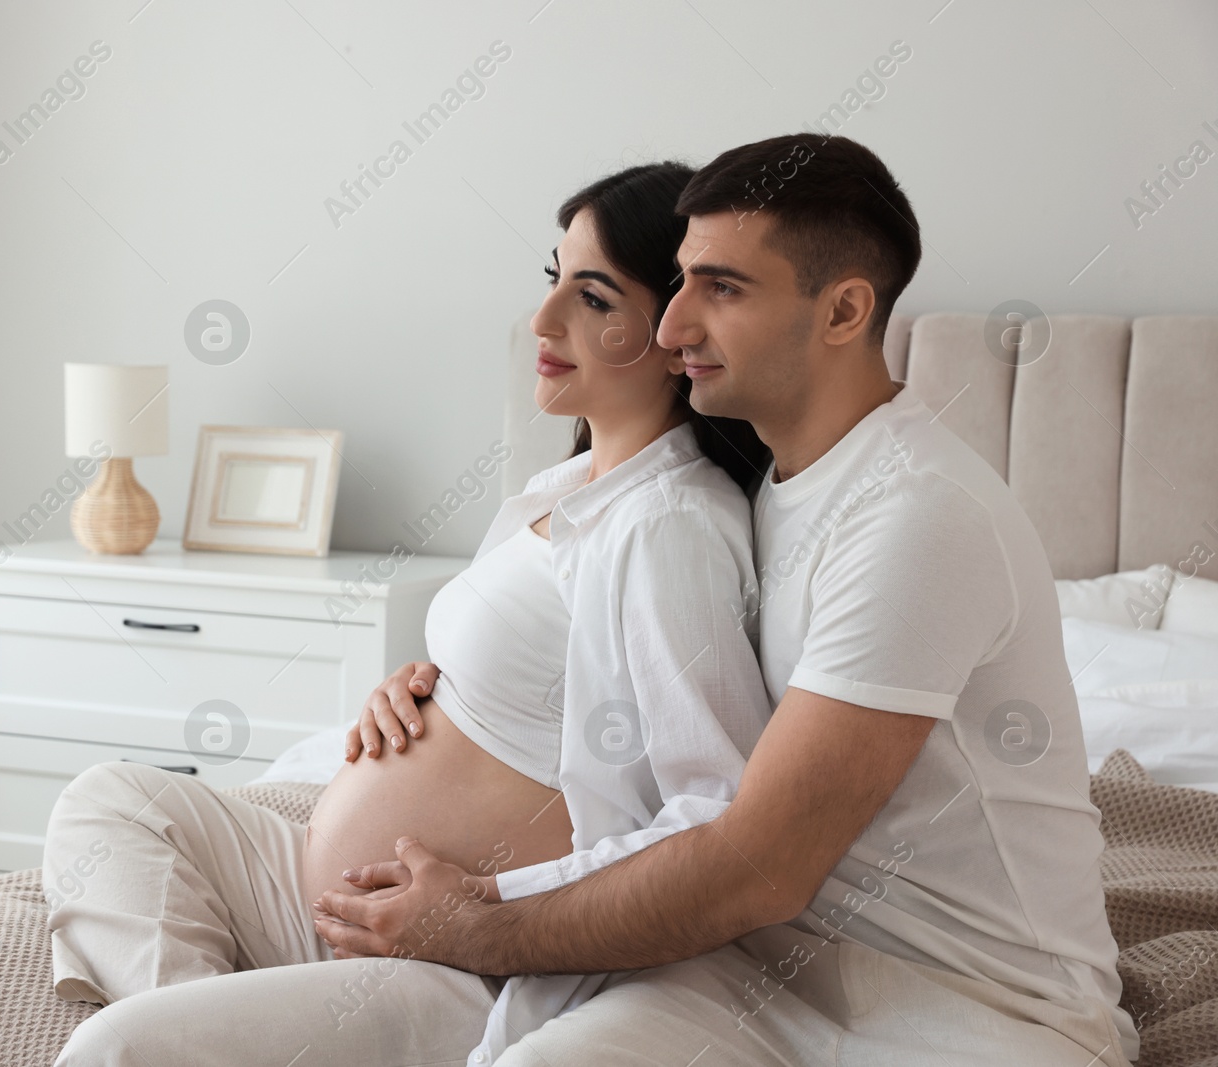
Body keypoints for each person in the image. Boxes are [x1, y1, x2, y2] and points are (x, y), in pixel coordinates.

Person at [313, 134, 1138, 1067]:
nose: (670, 330)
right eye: (679, 284)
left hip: (964, 1008)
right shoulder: (761, 490)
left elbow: (759, 862)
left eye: (723, 289)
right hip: (765, 968)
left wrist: (474, 923)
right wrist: (437, 683)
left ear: (844, 311)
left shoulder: (919, 516)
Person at [41, 162, 775, 1064]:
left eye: (593, 298)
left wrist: (488, 917)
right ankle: (222, 1016)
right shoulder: (566, 489)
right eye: (554, 281)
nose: (543, 322)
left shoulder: (671, 525)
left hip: (456, 960)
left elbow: (712, 813)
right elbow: (528, 697)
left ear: (675, 329)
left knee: (115, 1049)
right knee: (108, 800)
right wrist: (422, 690)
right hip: (326, 896)